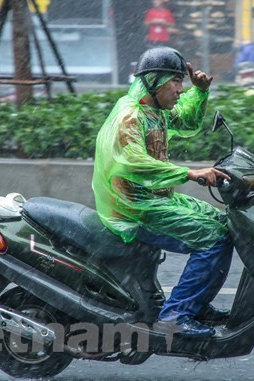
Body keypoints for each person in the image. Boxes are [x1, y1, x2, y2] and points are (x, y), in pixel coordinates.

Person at [92, 47, 232, 337]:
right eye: (176, 82)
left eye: (182, 82)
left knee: (225, 225)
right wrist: (190, 173)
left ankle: (195, 304)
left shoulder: (155, 110)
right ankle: (176, 317)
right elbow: (132, 163)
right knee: (214, 239)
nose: (181, 90)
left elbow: (189, 123)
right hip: (132, 207)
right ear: (154, 82)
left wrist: (200, 92)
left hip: (155, 198)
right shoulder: (130, 116)